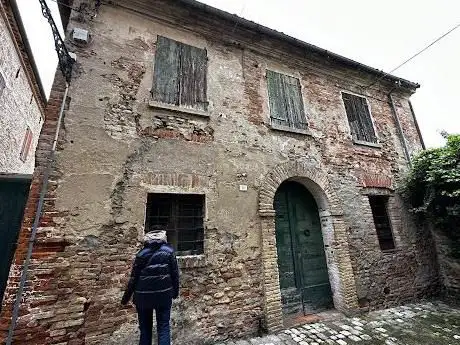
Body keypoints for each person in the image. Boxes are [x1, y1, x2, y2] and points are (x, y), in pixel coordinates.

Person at [121, 228, 179, 345]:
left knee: (145, 330)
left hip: (143, 297)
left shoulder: (141, 254)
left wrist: (126, 298)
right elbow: (175, 275)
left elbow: (133, 279)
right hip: (164, 296)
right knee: (163, 328)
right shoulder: (169, 252)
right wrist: (175, 293)